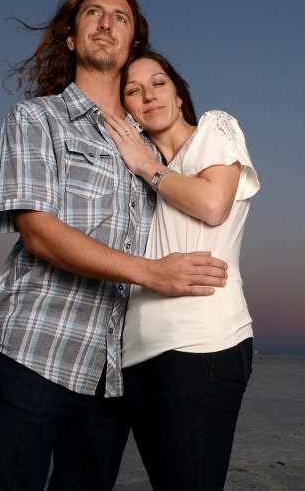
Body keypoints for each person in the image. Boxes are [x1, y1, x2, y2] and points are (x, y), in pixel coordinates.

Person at [0, 0, 228, 490]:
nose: (107, 22)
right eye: (94, 12)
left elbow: (208, 196)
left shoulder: (151, 145)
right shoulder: (35, 119)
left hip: (114, 375)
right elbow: (38, 232)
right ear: (71, 36)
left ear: (133, 46)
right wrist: (153, 274)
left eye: (121, 17)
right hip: (38, 346)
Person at [103, 51, 259, 490]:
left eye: (158, 83)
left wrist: (146, 166)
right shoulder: (135, 165)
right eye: (133, 91)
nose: (148, 95)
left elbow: (213, 205)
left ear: (178, 91)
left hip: (203, 342)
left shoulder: (214, 128)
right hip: (135, 353)